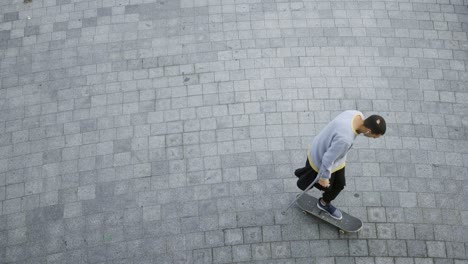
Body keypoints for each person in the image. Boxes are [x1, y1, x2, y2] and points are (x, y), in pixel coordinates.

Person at [295, 110, 386, 220]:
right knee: (332, 185)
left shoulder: (356, 114)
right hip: (323, 158)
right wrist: (324, 177)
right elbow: (328, 159)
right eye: (374, 137)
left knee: (339, 183)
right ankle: (323, 202)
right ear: (368, 131)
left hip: (324, 148)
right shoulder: (345, 139)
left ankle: (323, 202)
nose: (373, 138)